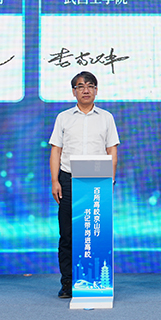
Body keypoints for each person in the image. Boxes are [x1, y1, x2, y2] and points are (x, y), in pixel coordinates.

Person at [49, 71, 119, 299]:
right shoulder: (63, 117)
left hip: (97, 182)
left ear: (96, 90)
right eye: (80, 86)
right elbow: (56, 150)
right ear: (74, 92)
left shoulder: (106, 117)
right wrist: (55, 181)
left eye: (90, 85)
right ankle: (68, 282)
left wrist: (111, 179)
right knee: (68, 234)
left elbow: (111, 149)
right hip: (69, 180)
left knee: (96, 232)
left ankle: (95, 279)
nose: (86, 90)